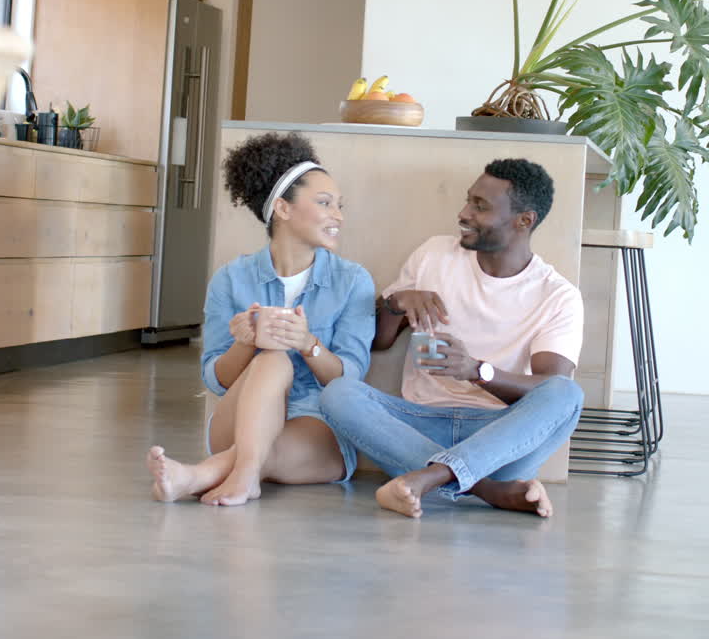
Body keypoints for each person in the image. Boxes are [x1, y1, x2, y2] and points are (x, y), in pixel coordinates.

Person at [319, 158, 584, 520]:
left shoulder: (557, 295)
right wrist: (397, 303)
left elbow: (547, 388)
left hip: (498, 440)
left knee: (567, 394)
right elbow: (379, 341)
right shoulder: (434, 254)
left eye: (481, 206)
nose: (464, 213)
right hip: (418, 424)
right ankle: (489, 492)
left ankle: (431, 477)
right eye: (468, 200)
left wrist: (477, 371)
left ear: (525, 221)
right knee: (338, 392)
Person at [146, 131, 376, 506]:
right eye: (324, 203)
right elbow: (215, 379)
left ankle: (200, 475)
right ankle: (245, 474)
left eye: (339, 205)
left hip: (318, 426)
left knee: (279, 372)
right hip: (240, 419)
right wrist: (245, 342)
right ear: (283, 208)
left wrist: (307, 343)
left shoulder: (352, 281)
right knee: (270, 359)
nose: (338, 216)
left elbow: (350, 382)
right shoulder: (230, 279)